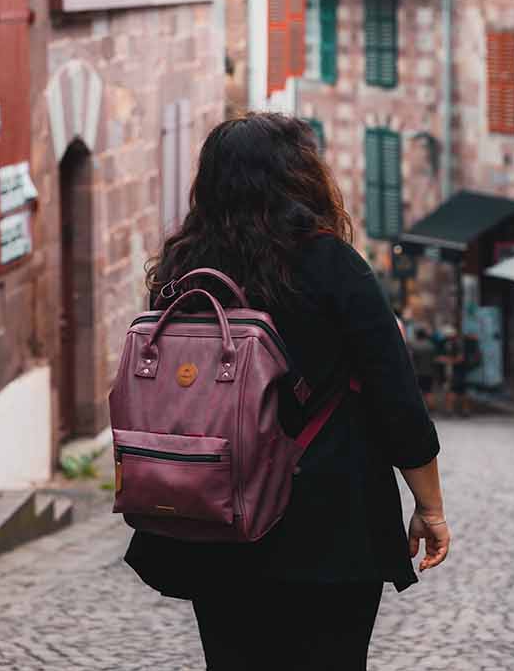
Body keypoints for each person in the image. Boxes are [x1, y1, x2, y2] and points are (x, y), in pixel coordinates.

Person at [128, 113, 449, 670]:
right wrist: (430, 507)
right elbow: (395, 396)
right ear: (301, 176)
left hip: (216, 517)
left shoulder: (184, 270)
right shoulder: (332, 264)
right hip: (330, 522)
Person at [407, 321, 438, 413]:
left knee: (417, 392)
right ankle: (431, 410)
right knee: (428, 392)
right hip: (429, 372)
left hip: (417, 372)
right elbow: (434, 359)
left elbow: (411, 358)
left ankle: (419, 410)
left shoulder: (414, 346)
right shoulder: (431, 345)